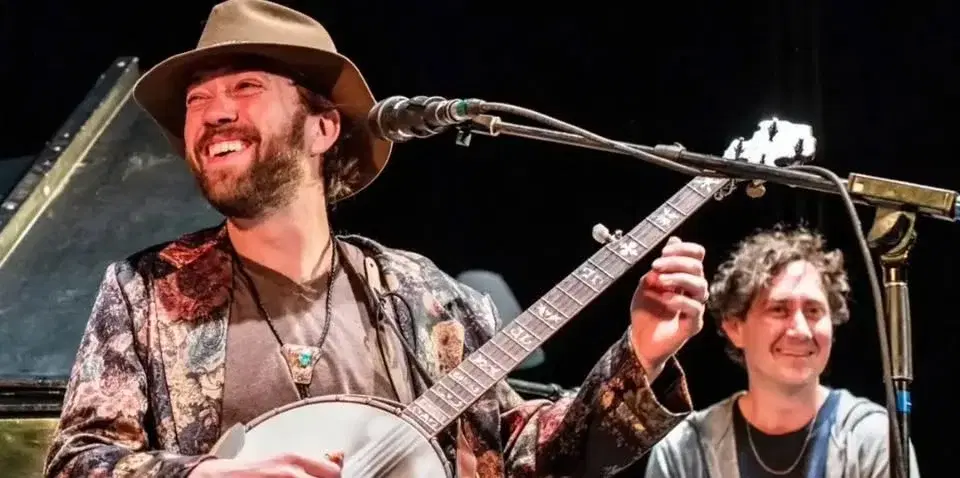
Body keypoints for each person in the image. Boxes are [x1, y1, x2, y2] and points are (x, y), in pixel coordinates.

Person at [42, 1, 710, 477]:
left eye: (245, 87)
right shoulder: (144, 294)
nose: (213, 111)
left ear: (323, 129)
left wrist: (642, 355)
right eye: (195, 100)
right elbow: (76, 463)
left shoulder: (424, 298)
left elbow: (531, 454)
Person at [644, 226, 921, 478]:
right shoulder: (683, 451)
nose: (800, 330)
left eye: (814, 311)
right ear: (734, 326)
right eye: (779, 309)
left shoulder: (873, 439)